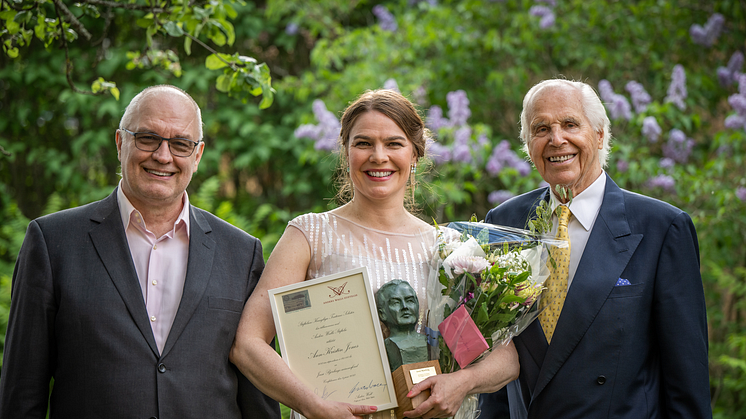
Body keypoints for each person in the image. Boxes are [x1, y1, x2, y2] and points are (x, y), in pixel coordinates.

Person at [229, 89, 519, 419]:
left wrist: (463, 382)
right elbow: (248, 345)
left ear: (415, 154)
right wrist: (314, 406)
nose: (378, 156)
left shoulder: (447, 250)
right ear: (346, 152)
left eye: (394, 143)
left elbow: (504, 358)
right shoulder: (311, 235)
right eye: (363, 143)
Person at [0, 85, 280, 419]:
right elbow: (21, 394)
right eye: (148, 138)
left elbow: (259, 395)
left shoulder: (241, 253)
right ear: (120, 143)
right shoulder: (52, 242)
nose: (163, 156)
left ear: (198, 155)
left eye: (180, 144)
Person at [479, 79, 711, 418]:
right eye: (541, 128)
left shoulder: (662, 228)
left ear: (600, 135)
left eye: (570, 124)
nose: (556, 139)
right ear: (529, 145)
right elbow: (495, 371)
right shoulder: (502, 222)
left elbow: (686, 379)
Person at [376, 279, 427, 371]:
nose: (405, 307)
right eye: (396, 303)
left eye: (410, 301)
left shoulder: (429, 341)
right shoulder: (384, 347)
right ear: (382, 314)